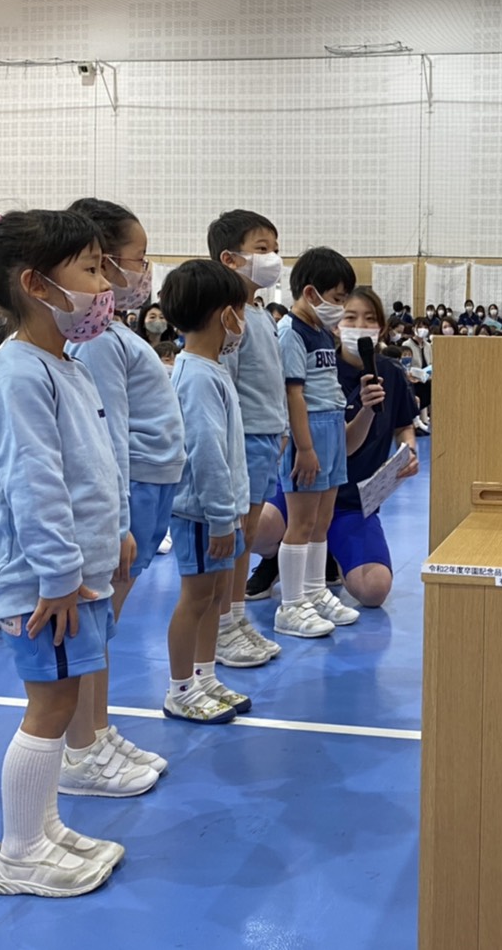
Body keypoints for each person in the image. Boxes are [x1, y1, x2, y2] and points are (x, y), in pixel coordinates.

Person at [0, 206, 146, 898]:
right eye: (89, 269)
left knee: (60, 704)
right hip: (44, 584)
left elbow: (94, 464)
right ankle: (18, 853)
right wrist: (58, 577)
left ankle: (46, 826)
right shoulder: (19, 372)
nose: (103, 284)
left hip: (74, 575)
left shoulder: (63, 364)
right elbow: (35, 484)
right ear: (36, 283)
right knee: (49, 708)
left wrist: (115, 529)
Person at [63, 197, 182, 777]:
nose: (145, 270)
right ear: (104, 263)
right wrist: (118, 521)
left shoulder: (116, 332)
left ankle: (99, 729)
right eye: (138, 258)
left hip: (151, 485)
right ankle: (80, 746)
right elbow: (103, 432)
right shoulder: (97, 341)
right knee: (95, 628)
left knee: (105, 626)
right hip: (128, 488)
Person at [252, 289, 407, 607]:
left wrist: (409, 451)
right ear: (335, 324)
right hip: (306, 484)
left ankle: (326, 555)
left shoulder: (391, 374)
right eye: (350, 316)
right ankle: (280, 555)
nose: (360, 325)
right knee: (255, 529)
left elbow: (404, 425)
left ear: (382, 327)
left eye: (370, 318)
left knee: (375, 590)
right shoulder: (321, 368)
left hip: (354, 501)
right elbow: (340, 442)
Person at [160, 259, 252, 723]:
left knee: (215, 597)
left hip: (221, 511)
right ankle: (180, 688)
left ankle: (205, 675)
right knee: (195, 598)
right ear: (224, 315)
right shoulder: (194, 376)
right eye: (241, 308)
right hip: (201, 513)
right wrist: (221, 515)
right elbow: (205, 452)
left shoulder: (213, 370)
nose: (245, 319)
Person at [210, 208, 289, 665]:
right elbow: (226, 388)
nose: (273, 258)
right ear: (231, 259)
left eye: (275, 249)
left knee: (248, 533)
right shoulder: (228, 317)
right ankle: (222, 625)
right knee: (236, 535)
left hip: (264, 439)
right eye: (262, 249)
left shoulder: (259, 314)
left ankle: (238, 617)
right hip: (242, 441)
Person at [273, 247, 360, 638]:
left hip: (331, 425)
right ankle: (290, 605)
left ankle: (314, 592)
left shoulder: (323, 330)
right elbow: (293, 393)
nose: (340, 307)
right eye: (338, 298)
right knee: (302, 521)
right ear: (311, 293)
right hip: (307, 430)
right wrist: (304, 448)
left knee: (322, 520)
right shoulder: (290, 332)